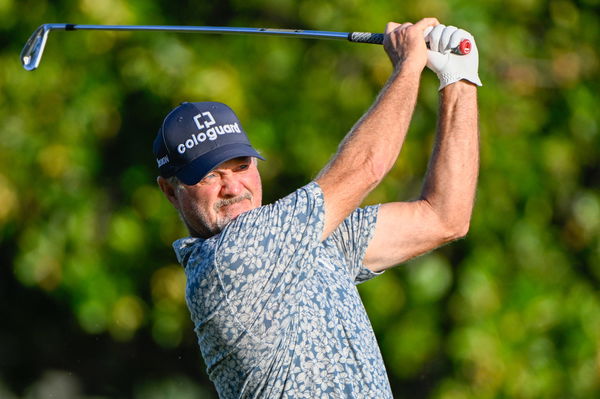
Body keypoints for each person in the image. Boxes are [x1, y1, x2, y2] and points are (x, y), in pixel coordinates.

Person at [153, 17, 481, 399]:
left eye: (240, 166)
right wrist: (409, 64)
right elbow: (366, 168)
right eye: (207, 176)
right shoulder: (227, 262)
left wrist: (458, 80)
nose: (232, 187)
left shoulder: (302, 239)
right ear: (170, 191)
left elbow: (444, 218)